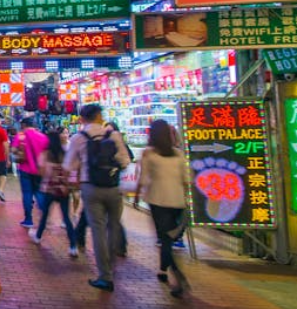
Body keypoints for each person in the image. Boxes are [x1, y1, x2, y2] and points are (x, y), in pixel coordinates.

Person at [64, 103, 130, 292]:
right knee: (114, 227)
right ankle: (112, 265)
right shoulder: (114, 135)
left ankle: (105, 275)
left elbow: (69, 166)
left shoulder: (78, 138)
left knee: (98, 230)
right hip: (113, 187)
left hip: (90, 188)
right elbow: (125, 161)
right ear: (100, 116)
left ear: (82, 119)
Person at [136, 119, 192, 297]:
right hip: (177, 201)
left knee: (164, 239)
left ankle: (177, 275)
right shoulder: (179, 155)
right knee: (167, 238)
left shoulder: (149, 154)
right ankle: (162, 269)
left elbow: (143, 179)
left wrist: (137, 196)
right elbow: (187, 180)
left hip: (158, 201)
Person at [33, 128, 78, 256]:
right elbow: (69, 170)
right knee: (66, 217)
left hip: (49, 189)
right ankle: (73, 246)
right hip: (63, 190)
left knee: (45, 215)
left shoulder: (46, 154)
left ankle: (38, 236)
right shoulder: (64, 154)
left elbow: (40, 171)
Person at [12, 117, 48, 228]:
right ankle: (45, 217)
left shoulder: (20, 136)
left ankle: (28, 220)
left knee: (27, 194)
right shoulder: (43, 137)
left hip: (25, 169)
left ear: (24, 125)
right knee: (39, 193)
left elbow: (13, 151)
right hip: (39, 170)